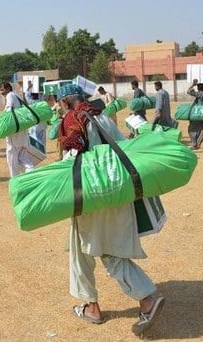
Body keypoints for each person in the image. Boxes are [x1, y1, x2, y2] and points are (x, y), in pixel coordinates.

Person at [56, 84, 165, 336]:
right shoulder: (101, 115)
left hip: (90, 197)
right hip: (117, 190)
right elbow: (122, 147)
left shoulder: (72, 120)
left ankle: (143, 299)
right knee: (96, 249)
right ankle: (97, 303)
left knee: (93, 251)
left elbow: (70, 161)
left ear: (65, 101)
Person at [0, 82, 34, 177]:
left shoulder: (10, 95)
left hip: (14, 132)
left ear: (7, 88)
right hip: (22, 129)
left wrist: (2, 119)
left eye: (2, 90)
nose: (1, 92)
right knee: (23, 157)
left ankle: (15, 179)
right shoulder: (16, 95)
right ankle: (31, 171)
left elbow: (9, 109)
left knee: (11, 159)